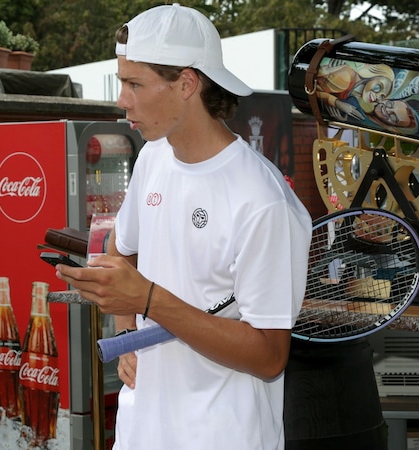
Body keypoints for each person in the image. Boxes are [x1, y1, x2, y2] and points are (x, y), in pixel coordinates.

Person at [55, 5, 312, 449]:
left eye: (135, 84)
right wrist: (126, 329)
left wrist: (148, 300)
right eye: (123, 82)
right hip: (142, 431)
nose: (122, 99)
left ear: (187, 83)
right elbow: (121, 251)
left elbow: (270, 357)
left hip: (224, 436)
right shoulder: (154, 156)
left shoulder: (263, 200)